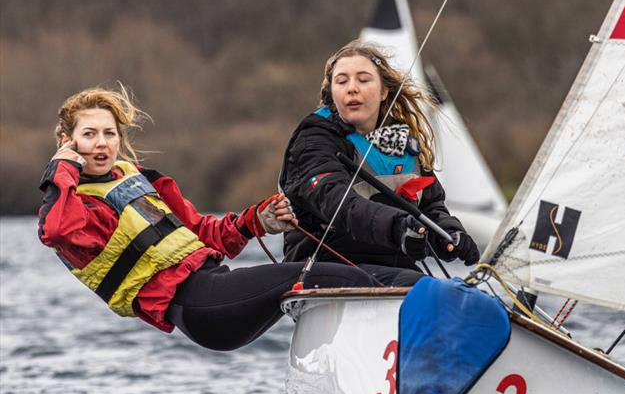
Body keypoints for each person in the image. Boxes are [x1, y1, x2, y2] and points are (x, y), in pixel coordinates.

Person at [38, 85, 405, 351]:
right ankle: (410, 332)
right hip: (199, 308)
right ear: (67, 141)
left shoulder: (140, 181)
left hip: (218, 290)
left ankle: (435, 291)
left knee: (353, 272)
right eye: (89, 135)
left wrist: (256, 221)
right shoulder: (70, 205)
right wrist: (62, 169)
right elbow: (56, 230)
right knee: (326, 276)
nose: (102, 143)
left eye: (109, 134)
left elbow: (203, 232)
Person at [279, 40, 480, 276]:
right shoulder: (313, 140)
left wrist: (449, 234)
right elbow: (336, 202)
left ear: (384, 91)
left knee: (455, 295)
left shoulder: (404, 145)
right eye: (342, 81)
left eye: (363, 80)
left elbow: (431, 206)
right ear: (332, 93)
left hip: (391, 268)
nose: (352, 88)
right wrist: (398, 227)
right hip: (323, 266)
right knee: (420, 288)